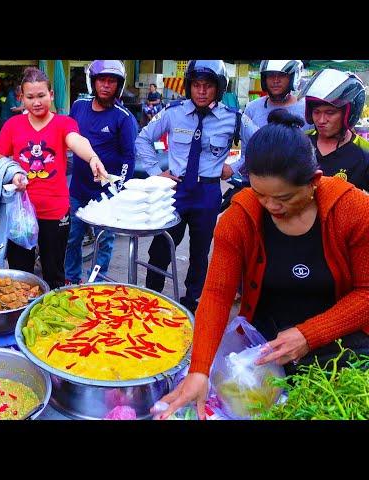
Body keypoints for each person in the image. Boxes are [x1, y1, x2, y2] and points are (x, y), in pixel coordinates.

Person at [156, 110, 369, 420]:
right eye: (260, 194)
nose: (271, 206)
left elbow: (366, 292)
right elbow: (216, 294)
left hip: (340, 343)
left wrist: (309, 335)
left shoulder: (353, 210)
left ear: (314, 182)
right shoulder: (239, 217)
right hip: (266, 349)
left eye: (283, 197)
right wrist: (200, 370)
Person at [135, 60, 256, 313]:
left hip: (208, 193)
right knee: (161, 247)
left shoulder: (233, 118)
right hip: (176, 192)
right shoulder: (173, 112)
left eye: (208, 86)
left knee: (200, 253)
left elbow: (258, 144)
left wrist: (234, 167)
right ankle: (150, 299)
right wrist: (157, 173)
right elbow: (144, 139)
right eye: (196, 85)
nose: (201, 91)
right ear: (189, 86)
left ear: (219, 88)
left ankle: (191, 303)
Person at [0, 67, 108, 289]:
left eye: (41, 95)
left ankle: (50, 318)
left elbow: (76, 141)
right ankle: (23, 317)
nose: (36, 102)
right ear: (21, 98)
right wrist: (14, 174)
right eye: (30, 97)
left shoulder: (63, 123)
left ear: (51, 95)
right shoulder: (12, 126)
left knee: (53, 273)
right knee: (20, 274)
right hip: (21, 213)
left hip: (55, 213)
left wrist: (92, 157)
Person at [65, 60, 138, 284]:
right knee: (72, 238)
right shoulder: (78, 106)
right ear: (93, 82)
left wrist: (116, 189)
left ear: (119, 85)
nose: (106, 85)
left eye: (112, 81)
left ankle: (97, 282)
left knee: (104, 241)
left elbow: (129, 158)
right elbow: (68, 137)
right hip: (77, 189)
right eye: (102, 80)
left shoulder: (124, 118)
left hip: (105, 194)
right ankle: (71, 278)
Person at [298, 68, 369, 191]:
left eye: (330, 113)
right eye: (316, 112)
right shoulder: (299, 142)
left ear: (348, 114)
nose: (321, 120)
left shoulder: (364, 153)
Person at [244, 60, 307, 131]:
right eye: (271, 75)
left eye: (282, 75)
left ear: (292, 78)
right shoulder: (252, 109)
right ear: (264, 79)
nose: (276, 80)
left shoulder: (306, 109)